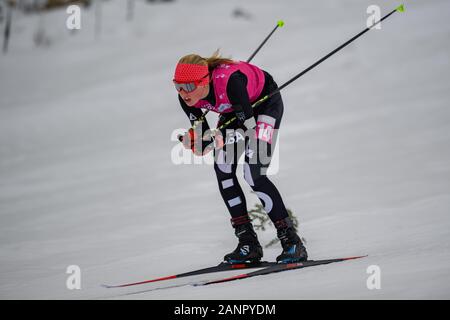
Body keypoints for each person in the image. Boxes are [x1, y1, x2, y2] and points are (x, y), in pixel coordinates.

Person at [173, 50, 308, 264]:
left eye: (188, 86)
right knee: (223, 169)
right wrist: (198, 142)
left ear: (205, 80)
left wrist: (218, 139)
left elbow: (250, 130)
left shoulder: (231, 82)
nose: (183, 92)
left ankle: (291, 242)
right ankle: (248, 244)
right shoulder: (187, 99)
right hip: (235, 111)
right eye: (177, 86)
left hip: (264, 104)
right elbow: (205, 138)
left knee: (253, 173)